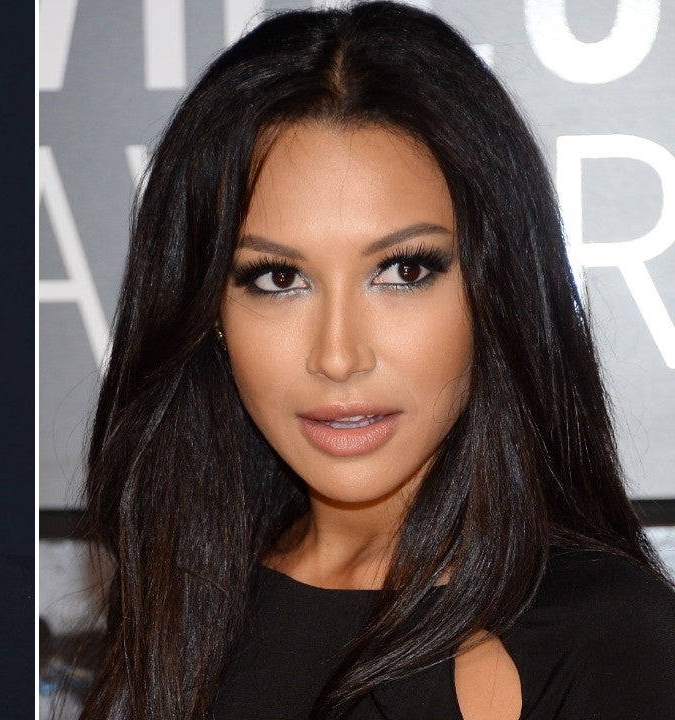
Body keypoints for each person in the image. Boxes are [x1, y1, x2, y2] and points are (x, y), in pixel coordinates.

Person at [78, 3, 675, 719]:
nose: (338, 356)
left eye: (403, 271)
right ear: (209, 312)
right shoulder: (182, 602)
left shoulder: (599, 637)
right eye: (278, 278)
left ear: (496, 288)